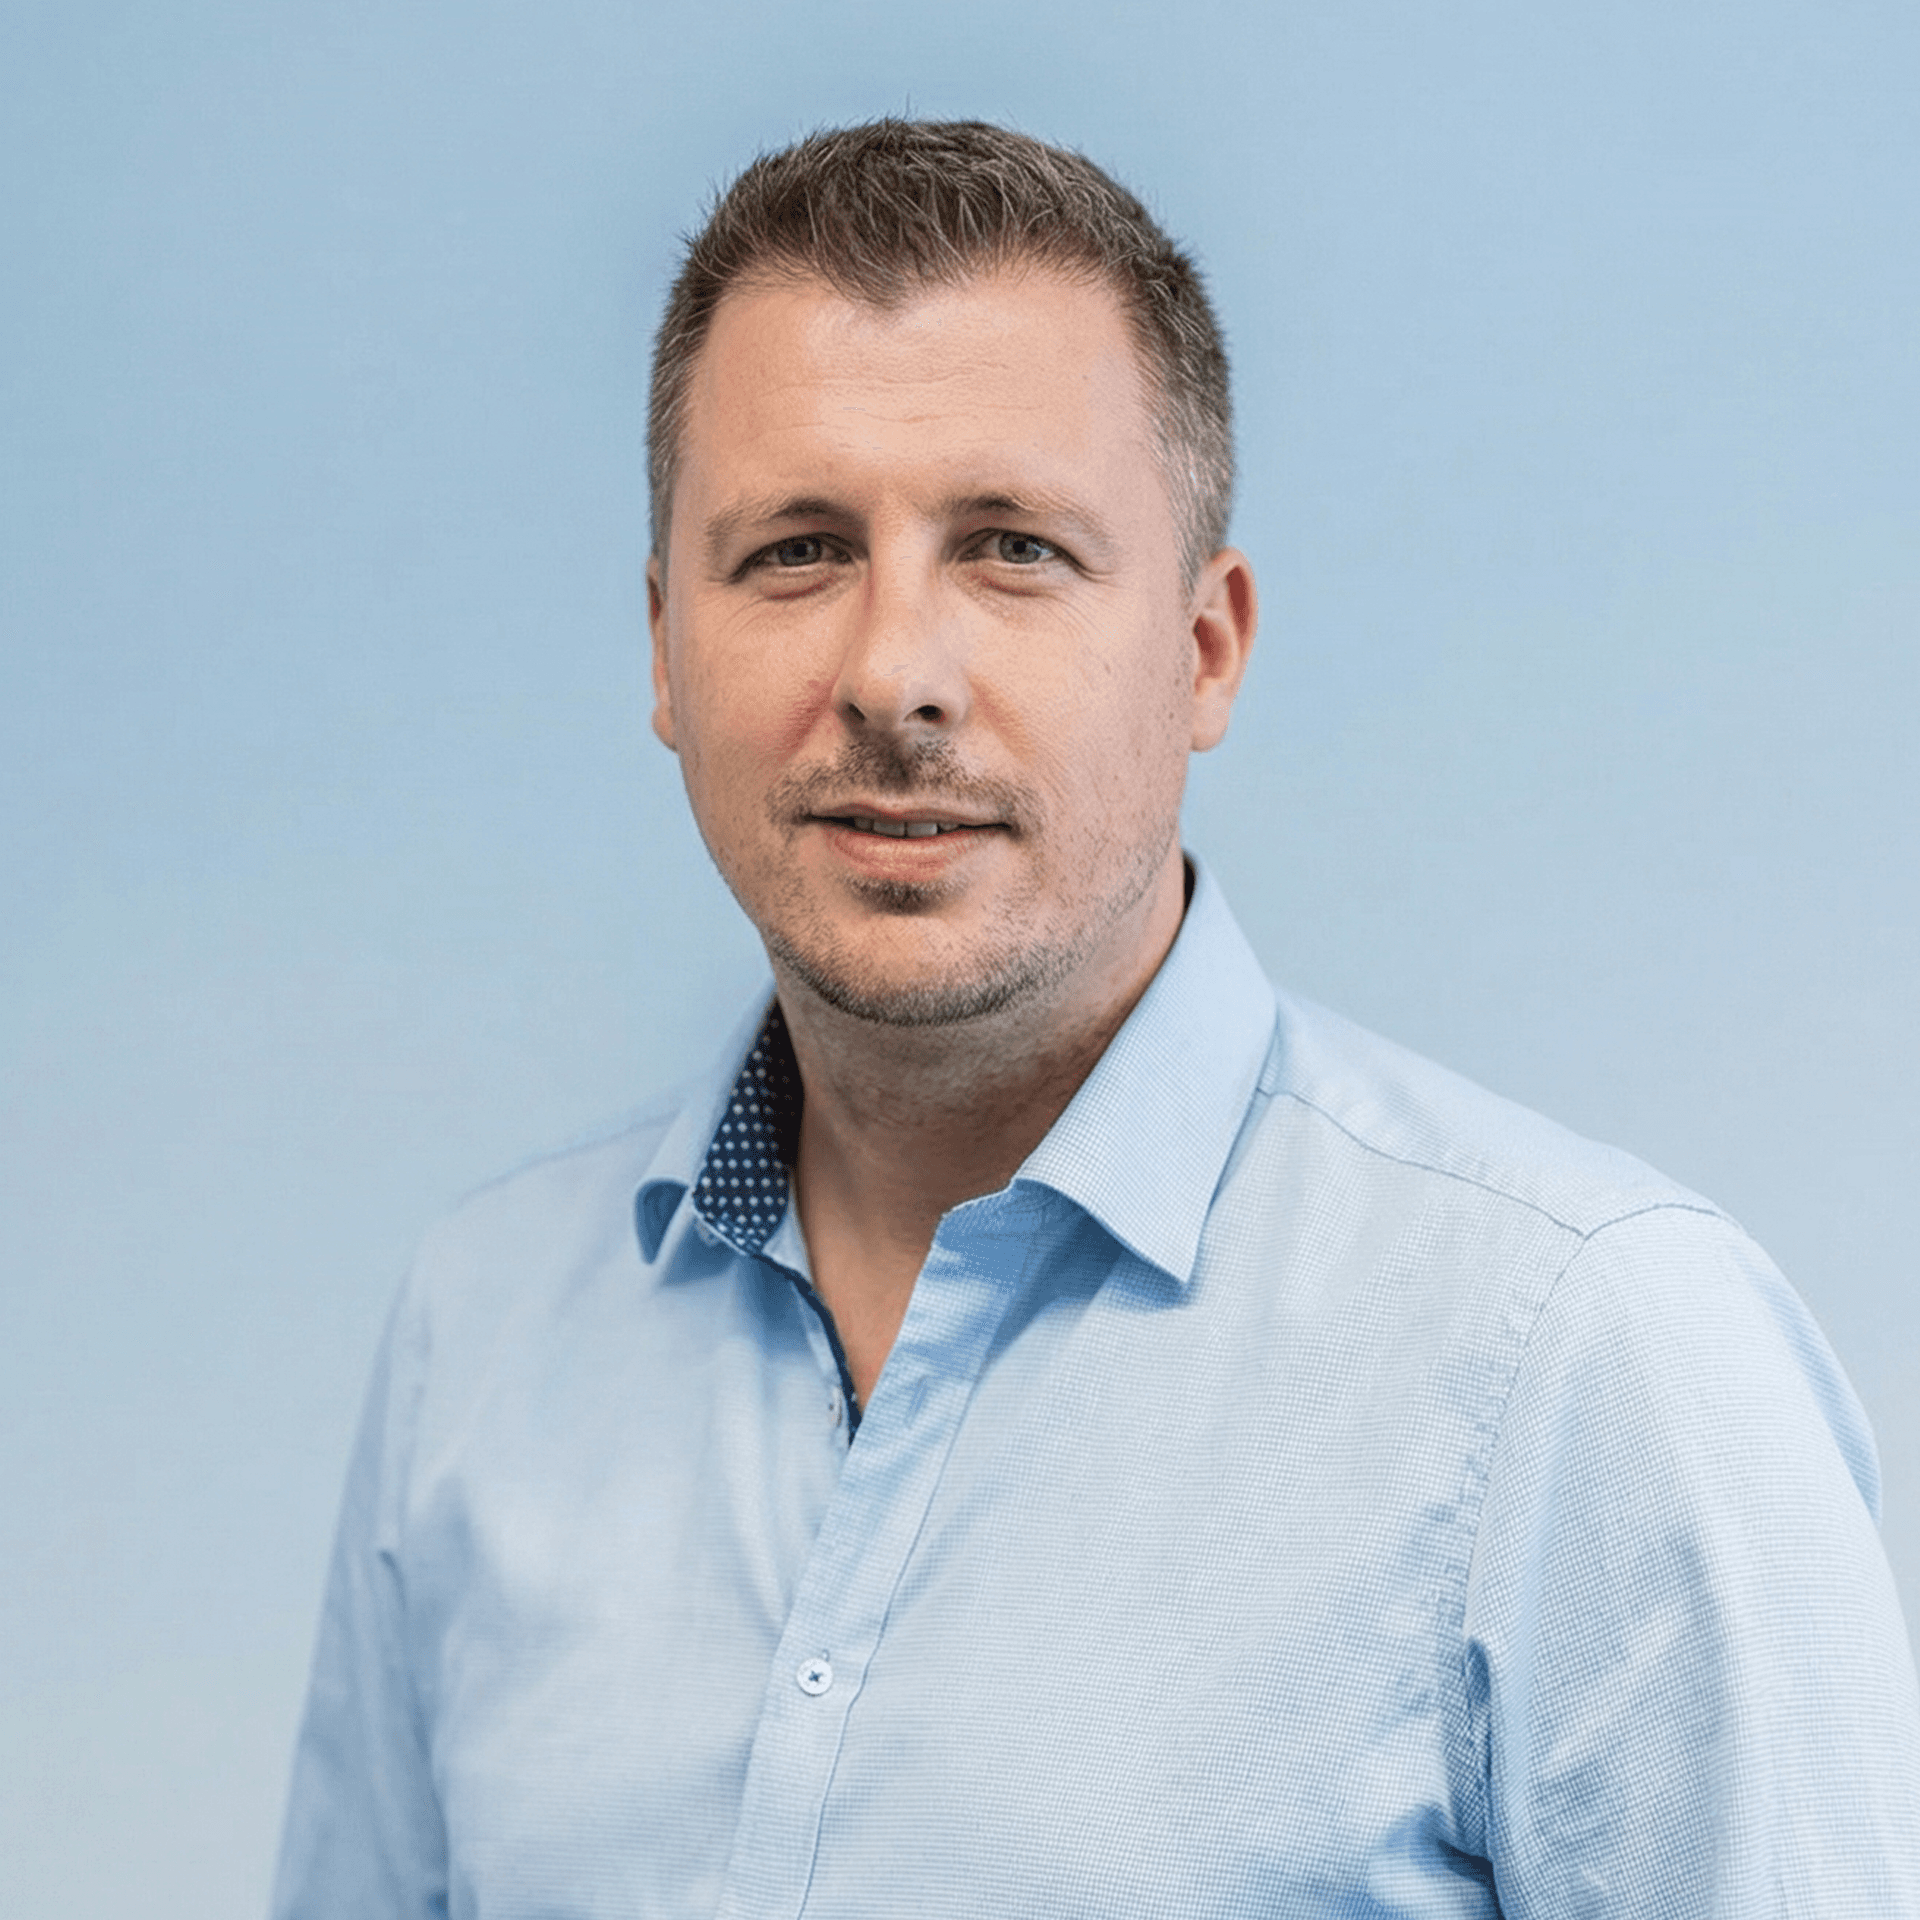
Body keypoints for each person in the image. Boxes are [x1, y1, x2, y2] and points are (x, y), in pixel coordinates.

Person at [273, 120, 1920, 1918]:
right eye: (799, 551)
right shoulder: (481, 1342)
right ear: (664, 646)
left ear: (1207, 648)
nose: (895, 671)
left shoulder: (1589, 1360)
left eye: (1014, 548)